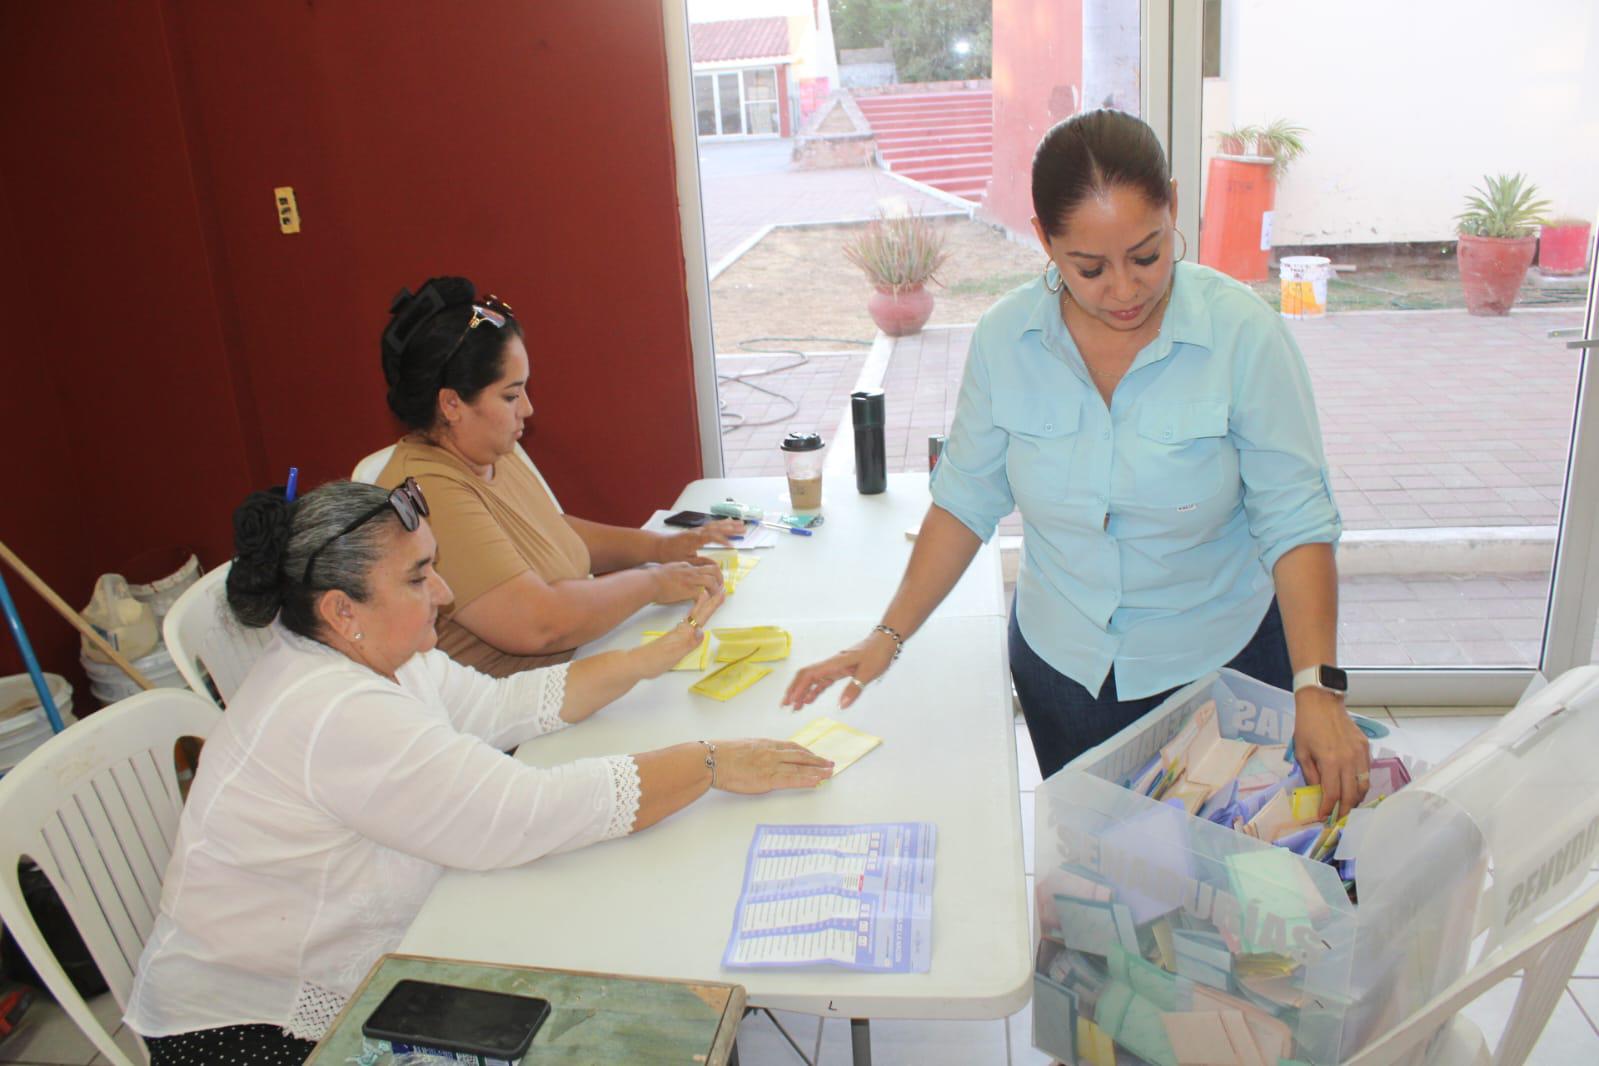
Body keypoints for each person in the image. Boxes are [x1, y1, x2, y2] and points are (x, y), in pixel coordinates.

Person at [785, 110, 1369, 815]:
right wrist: (887, 635)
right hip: (1067, 674)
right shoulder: (1007, 340)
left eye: (1147, 255)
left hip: (1222, 665)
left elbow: (1295, 518)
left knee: (1238, 896)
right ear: (1044, 242)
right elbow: (964, 502)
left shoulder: (1241, 335)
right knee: (1106, 896)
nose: (1123, 290)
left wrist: (1316, 685)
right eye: (1088, 268)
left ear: (1173, 208)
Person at [124, 480, 831, 1064]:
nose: (443, 592)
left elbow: (502, 705)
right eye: (418, 576)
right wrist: (704, 764)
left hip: (350, 959)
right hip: (250, 1032)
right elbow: (525, 814)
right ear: (342, 610)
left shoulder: (380, 652)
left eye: (432, 563)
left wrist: (648, 658)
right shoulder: (335, 708)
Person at [374, 275, 745, 677]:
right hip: (524, 718)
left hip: (579, 666)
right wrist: (652, 585)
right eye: (511, 395)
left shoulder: (487, 447)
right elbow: (539, 624)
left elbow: (553, 535)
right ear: (451, 404)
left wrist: (660, 548)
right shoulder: (428, 493)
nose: (528, 409)